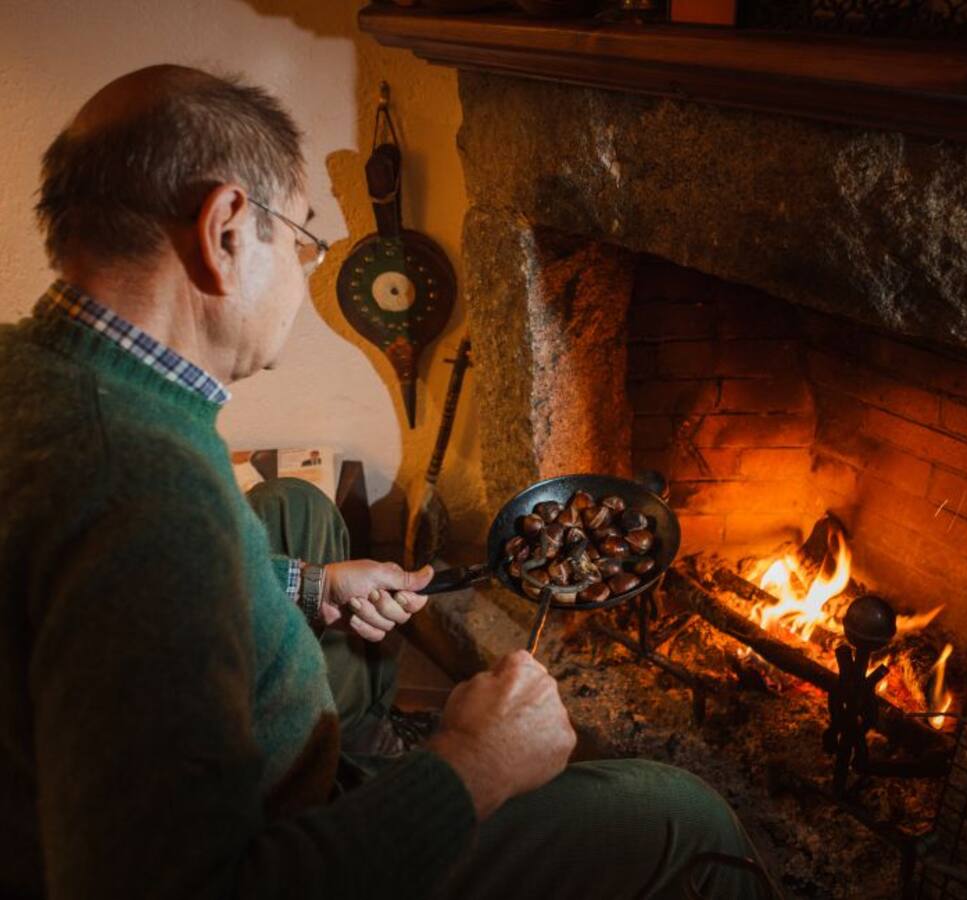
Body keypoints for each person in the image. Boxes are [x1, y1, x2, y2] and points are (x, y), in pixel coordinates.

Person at [0, 65, 769, 899]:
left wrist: (311, 585)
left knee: (295, 509)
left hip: (184, 756)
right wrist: (470, 769)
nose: (304, 275)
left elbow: (136, 594)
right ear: (224, 230)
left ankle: (363, 741)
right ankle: (382, 785)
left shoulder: (31, 371)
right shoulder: (144, 492)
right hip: (287, 837)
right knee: (680, 815)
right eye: (301, 240)